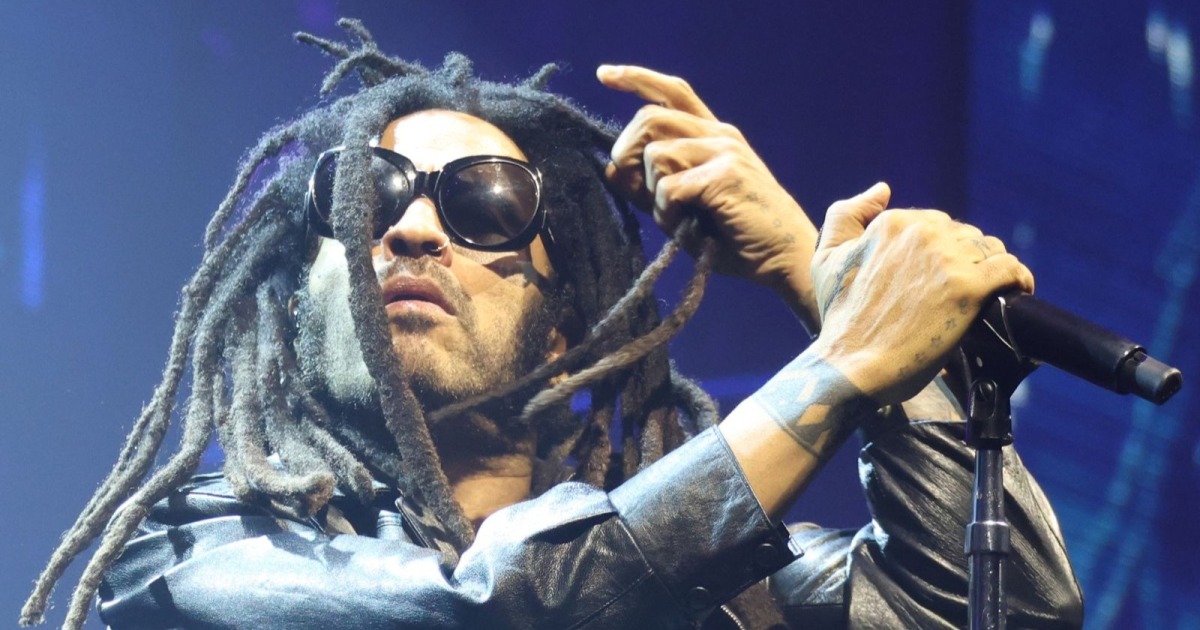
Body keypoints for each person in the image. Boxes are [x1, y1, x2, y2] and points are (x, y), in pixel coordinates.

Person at [22, 20, 1082, 630]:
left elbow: (1008, 612)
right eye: (365, 195)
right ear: (299, 306)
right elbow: (503, 605)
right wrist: (844, 361)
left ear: (564, 332)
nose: (412, 229)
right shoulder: (195, 559)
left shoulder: (725, 578)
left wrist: (825, 282)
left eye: (481, 203)